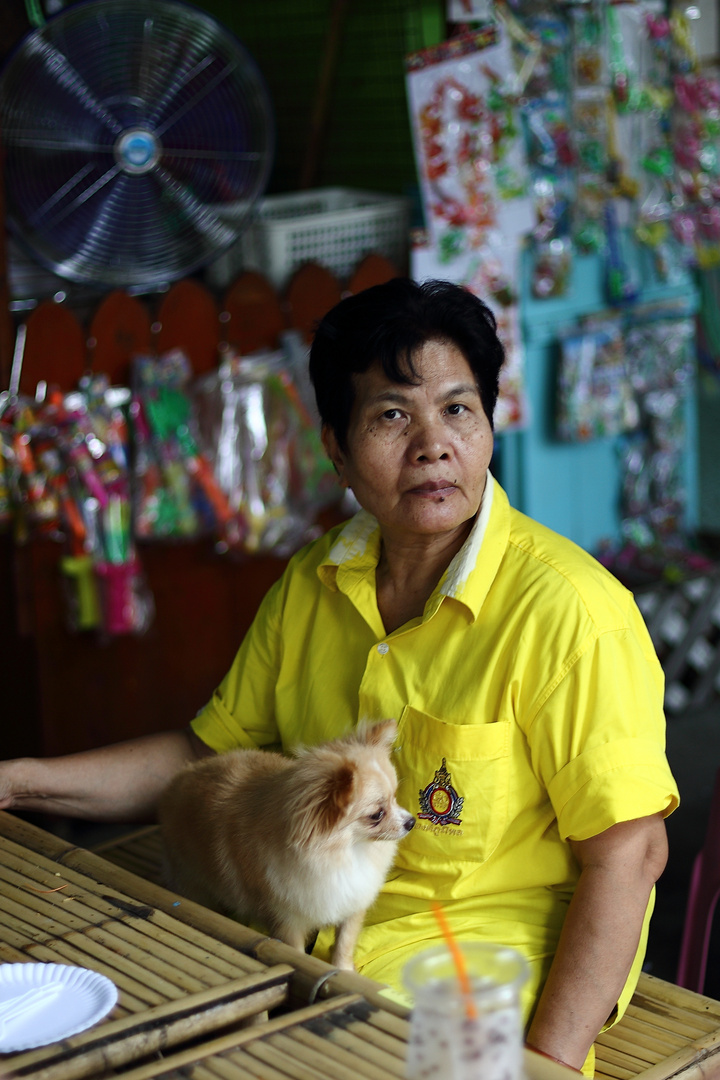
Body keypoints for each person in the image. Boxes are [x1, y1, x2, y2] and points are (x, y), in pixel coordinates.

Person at [0, 278, 678, 1075]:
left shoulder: (571, 613)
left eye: (458, 409)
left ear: (490, 426)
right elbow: (204, 756)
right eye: (393, 415)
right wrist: (21, 783)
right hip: (301, 928)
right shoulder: (313, 582)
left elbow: (629, 854)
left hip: (481, 959)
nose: (433, 444)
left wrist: (548, 1061)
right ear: (337, 449)